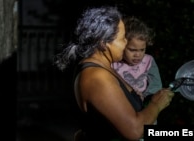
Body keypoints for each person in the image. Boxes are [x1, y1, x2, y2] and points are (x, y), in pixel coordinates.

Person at [54, 6, 174, 141]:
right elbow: (134, 131)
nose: (125, 43)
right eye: (123, 38)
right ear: (104, 43)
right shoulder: (97, 77)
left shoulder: (104, 68)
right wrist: (156, 104)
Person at [112, 17, 162, 103]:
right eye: (132, 50)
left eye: (142, 50)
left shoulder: (148, 61)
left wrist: (143, 96)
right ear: (122, 45)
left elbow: (156, 85)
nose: (138, 55)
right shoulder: (114, 63)